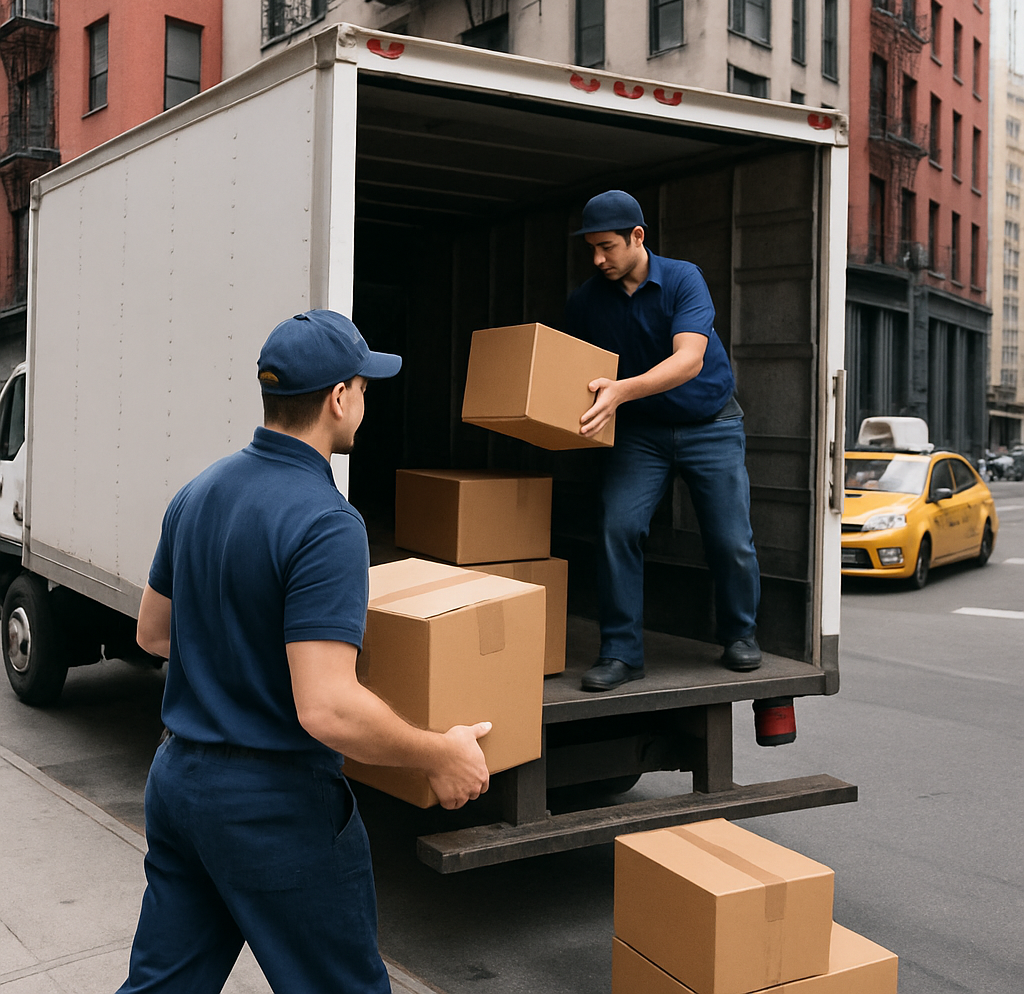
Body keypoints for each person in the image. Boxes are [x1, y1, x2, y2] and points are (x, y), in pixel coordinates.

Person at [118, 310, 491, 994]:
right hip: (273, 808)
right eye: (363, 384)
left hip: (179, 783)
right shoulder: (326, 521)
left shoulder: (196, 494)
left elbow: (154, 633)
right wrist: (442, 753)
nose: (366, 399)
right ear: (337, 398)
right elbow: (327, 709)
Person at [564, 191, 762, 691]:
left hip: (711, 423)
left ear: (637, 237)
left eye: (607, 247)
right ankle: (622, 654)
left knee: (729, 539)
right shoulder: (586, 300)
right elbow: (571, 368)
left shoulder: (681, 279)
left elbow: (689, 359)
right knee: (617, 528)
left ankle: (741, 634)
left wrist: (621, 391)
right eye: (590, 248)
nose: (597, 259)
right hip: (642, 433)